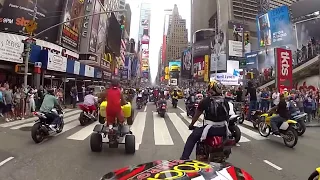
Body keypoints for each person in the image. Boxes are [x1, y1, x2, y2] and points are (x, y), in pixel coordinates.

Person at [180, 80, 230, 160]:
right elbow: (227, 116)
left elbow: (196, 115)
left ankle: (184, 158)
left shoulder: (205, 101)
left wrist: (191, 125)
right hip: (223, 129)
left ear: (211, 89)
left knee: (192, 138)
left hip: (210, 129)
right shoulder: (225, 102)